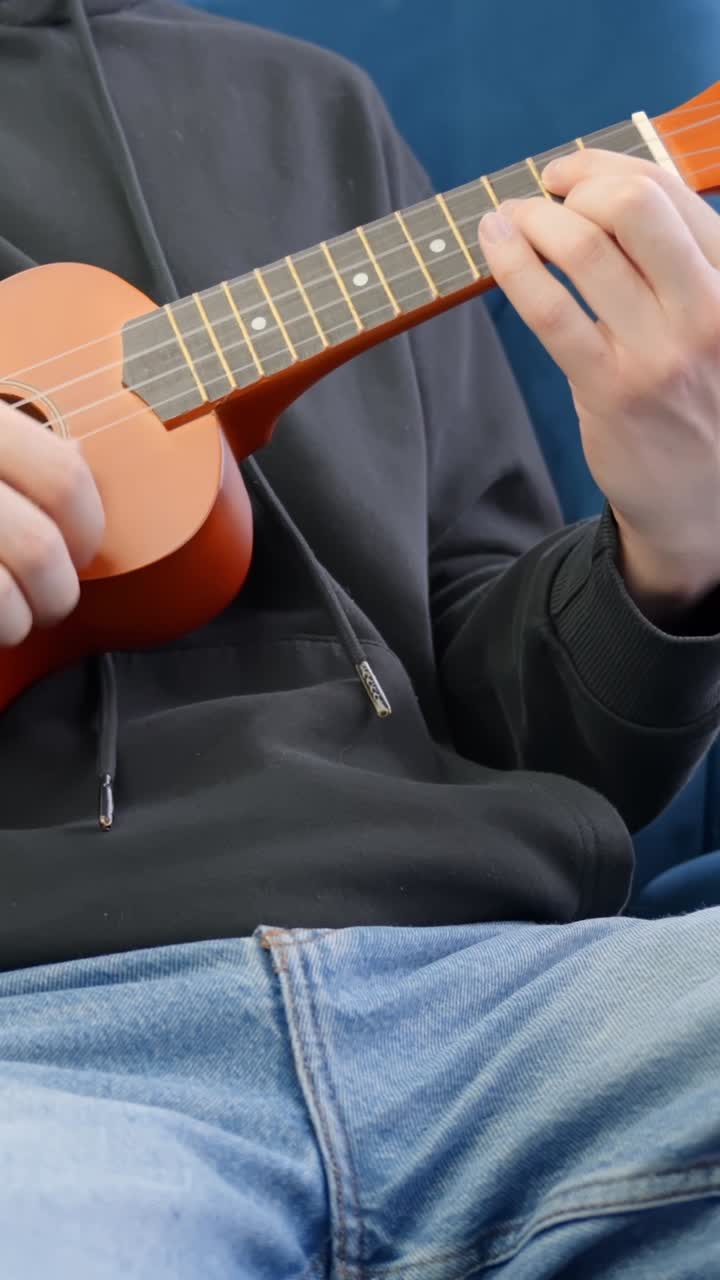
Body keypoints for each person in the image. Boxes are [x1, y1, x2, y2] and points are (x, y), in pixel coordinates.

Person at [0, 0, 719, 1274]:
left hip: (520, 1013)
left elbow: (520, 716)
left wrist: (677, 540)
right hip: (42, 1067)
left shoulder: (315, 106)